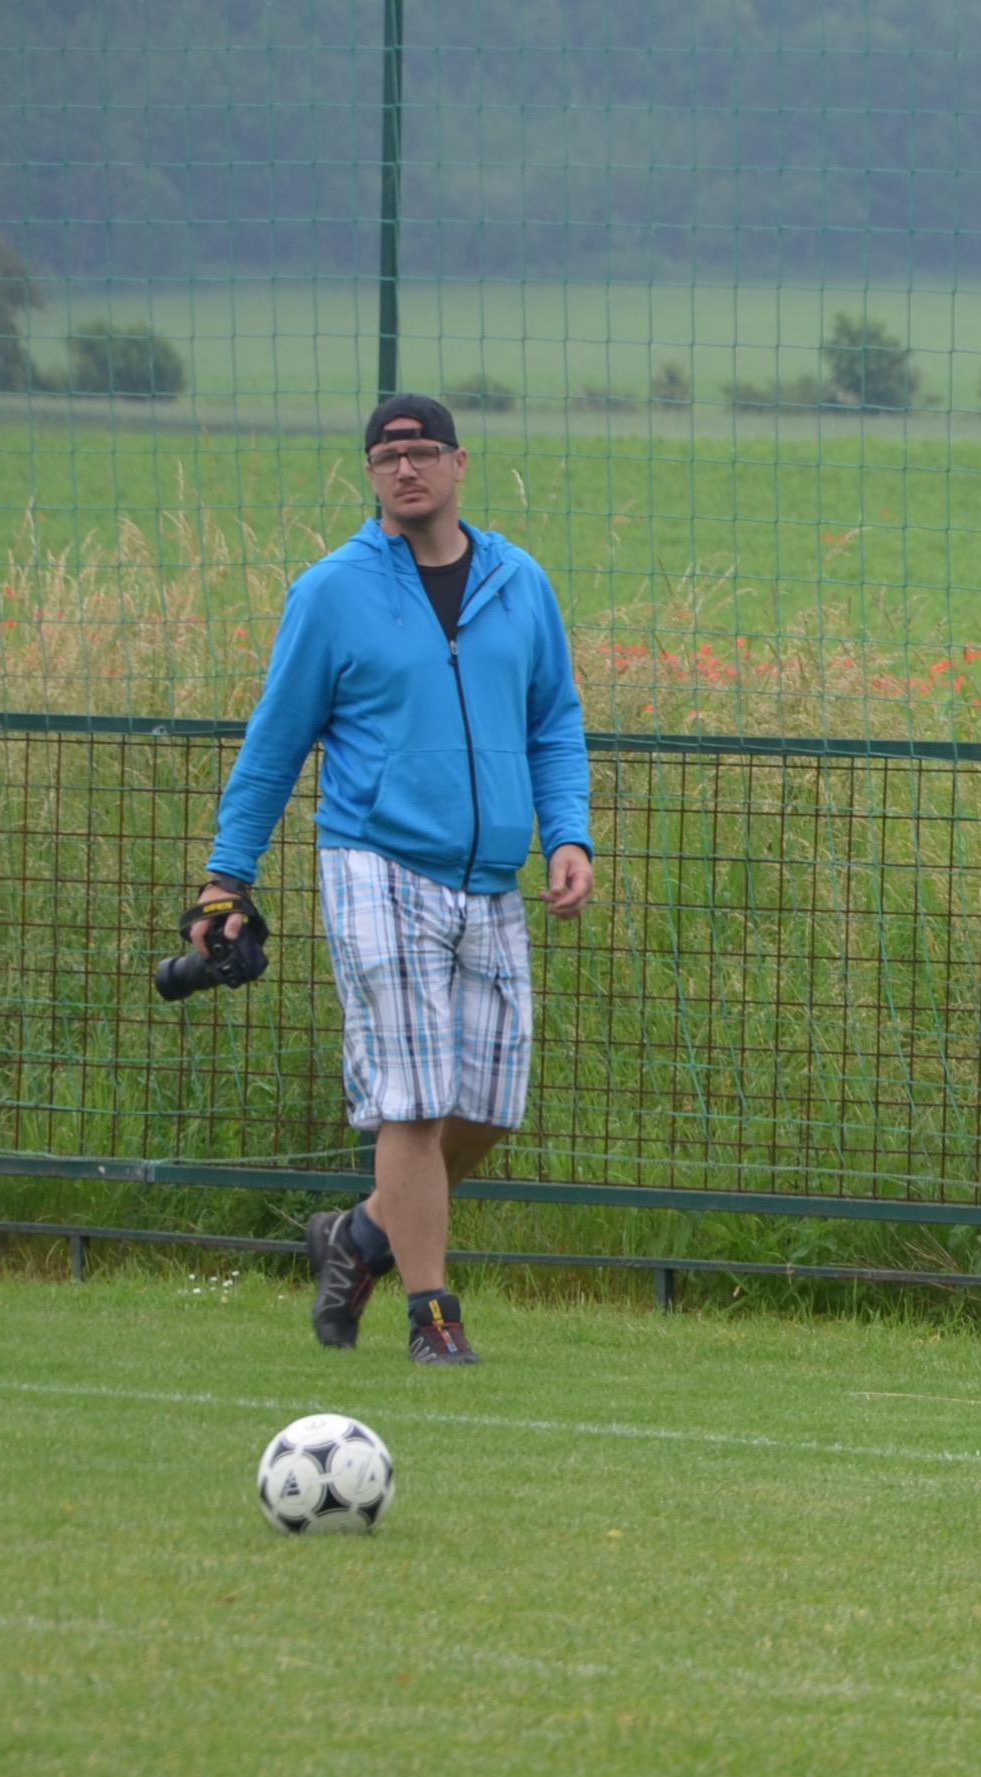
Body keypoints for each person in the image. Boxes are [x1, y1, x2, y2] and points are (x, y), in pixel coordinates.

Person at [189, 392, 595, 1365]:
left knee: (488, 1107)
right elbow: (276, 741)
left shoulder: (521, 583)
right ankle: (432, 1316)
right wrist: (225, 878)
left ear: (460, 464)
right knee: (409, 1098)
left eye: (422, 451)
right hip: (373, 859)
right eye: (386, 456)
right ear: (371, 474)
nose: (405, 468)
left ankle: (363, 1230)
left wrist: (568, 833)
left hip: (491, 874)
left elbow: (554, 721)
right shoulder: (331, 592)